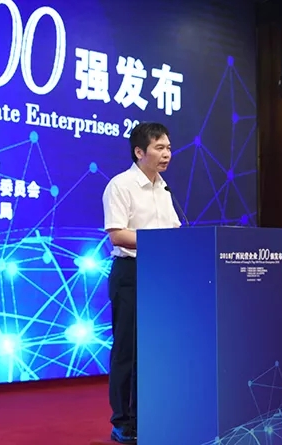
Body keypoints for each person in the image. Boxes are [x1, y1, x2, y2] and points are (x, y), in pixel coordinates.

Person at [101, 122, 181, 444]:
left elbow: (173, 230)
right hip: (130, 274)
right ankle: (122, 422)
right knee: (127, 351)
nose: (167, 154)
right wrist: (158, 242)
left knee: (153, 349)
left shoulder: (164, 189)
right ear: (139, 152)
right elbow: (117, 234)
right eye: (160, 148)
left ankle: (148, 416)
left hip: (160, 275)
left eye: (169, 148)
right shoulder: (120, 185)